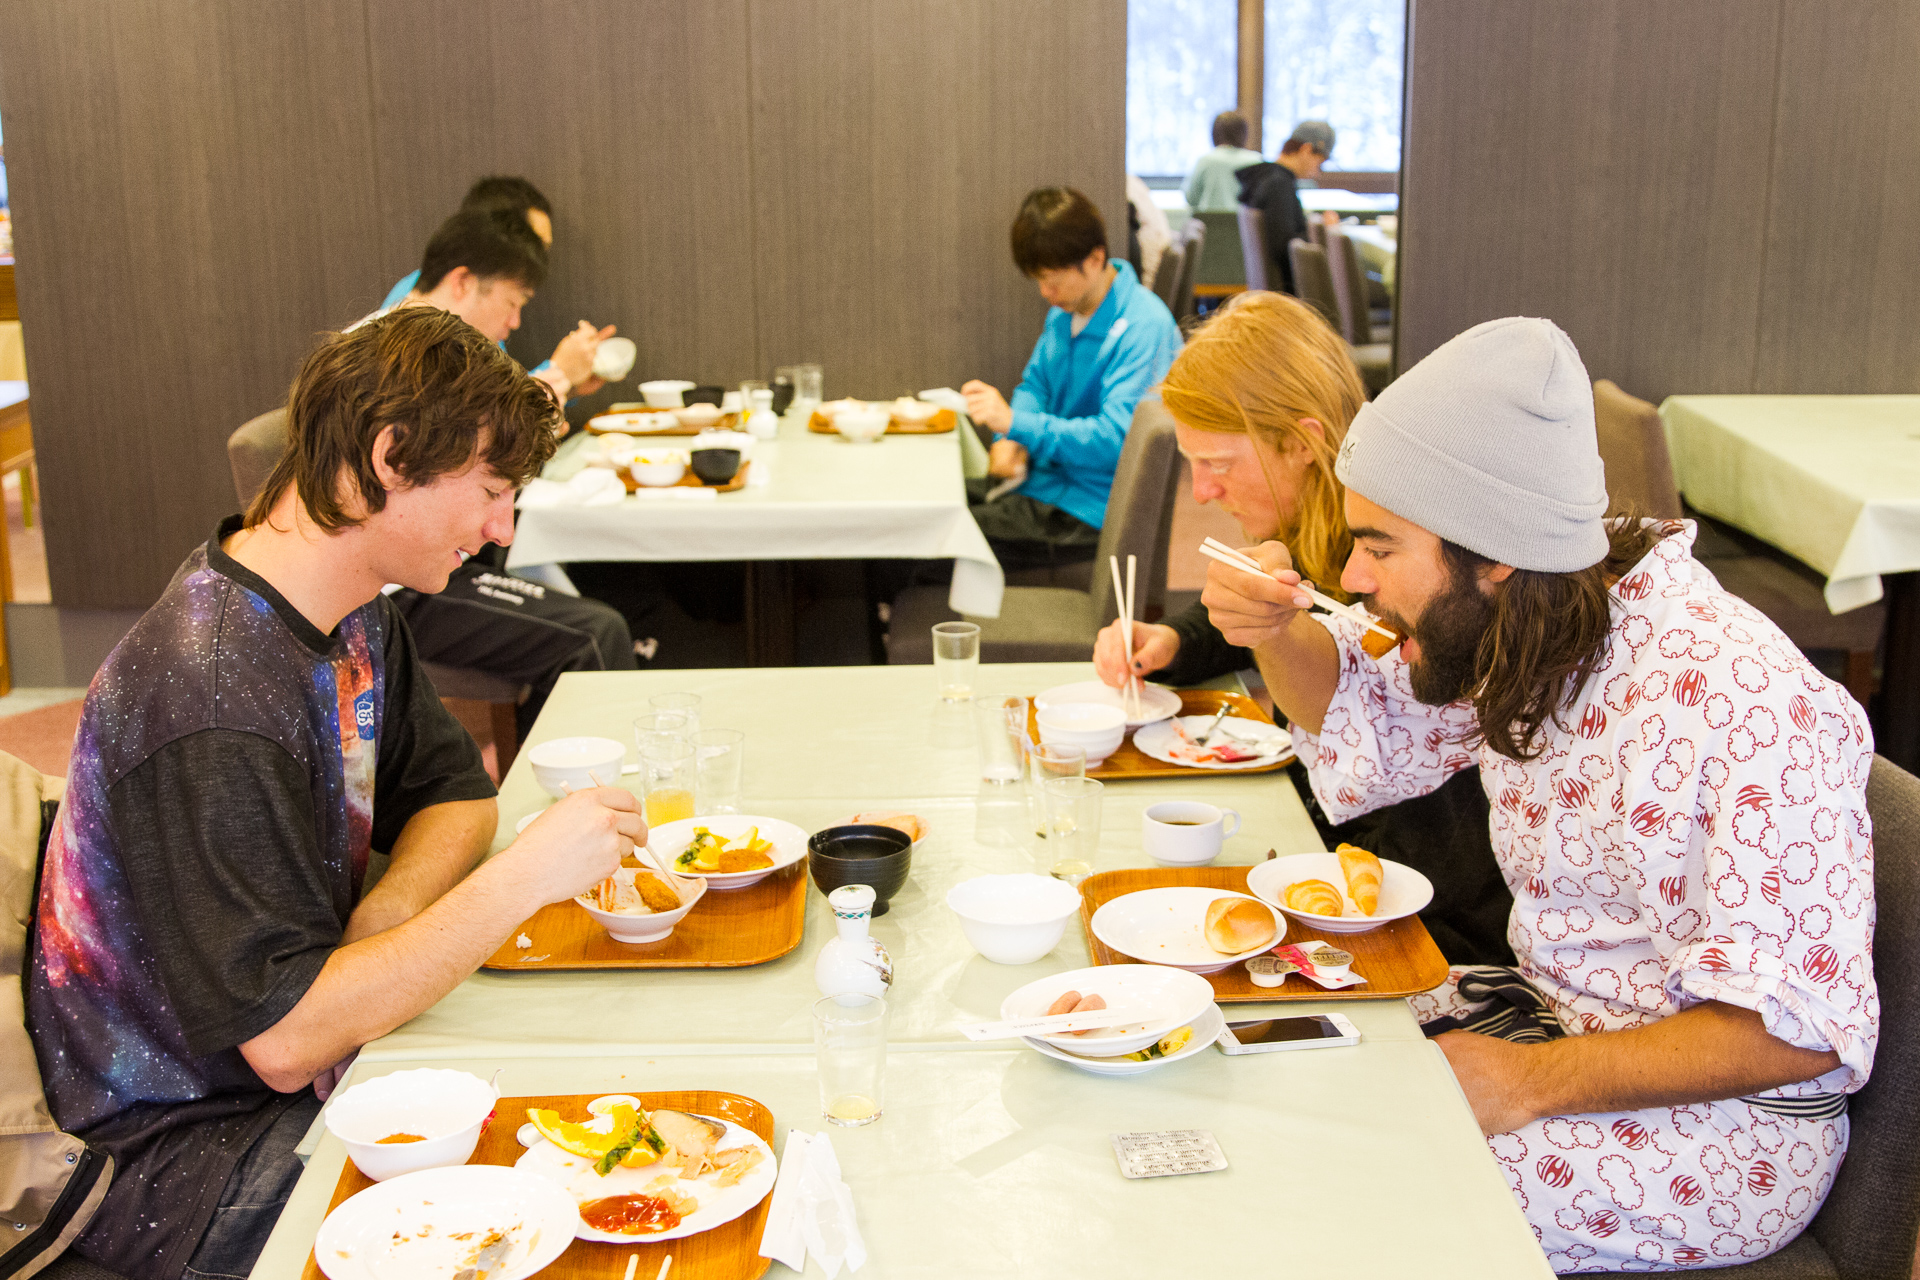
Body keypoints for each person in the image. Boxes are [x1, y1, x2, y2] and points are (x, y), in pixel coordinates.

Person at [1203, 316, 1876, 1270]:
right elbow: (1364, 708)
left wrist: (1528, 1080)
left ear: (1494, 550)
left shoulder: (1742, 703)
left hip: (1725, 1138)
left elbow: (1798, 1029)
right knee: (1251, 1064)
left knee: (1323, 1192)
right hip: (1554, 1024)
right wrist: (1270, 628)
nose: (1350, 577)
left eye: (1379, 548)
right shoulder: (1539, 623)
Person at [27, 307, 646, 1280]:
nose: (503, 528)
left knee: (606, 1101)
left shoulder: (354, 613)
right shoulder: (211, 693)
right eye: (489, 490)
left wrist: (385, 914)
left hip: (304, 1060)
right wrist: (522, 878)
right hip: (182, 1153)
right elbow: (283, 1040)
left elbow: (454, 795)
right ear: (389, 458)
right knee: (561, 1196)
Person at [1090, 291, 1515, 965]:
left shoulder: (1419, 560)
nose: (1201, 492)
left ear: (1303, 443)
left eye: (1218, 465)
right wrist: (1175, 637)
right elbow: (1261, 602)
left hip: (1435, 905)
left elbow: (1335, 675)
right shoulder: (1309, 530)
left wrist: (1270, 631)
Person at [368, 209, 643, 732]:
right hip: (403, 581)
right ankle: (579, 796)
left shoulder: (432, 346)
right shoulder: (395, 355)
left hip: (439, 557)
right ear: (463, 281)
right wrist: (559, 373)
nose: (515, 322)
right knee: (594, 634)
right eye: (512, 303)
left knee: (612, 599)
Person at [960, 187, 1180, 574]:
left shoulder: (1143, 327)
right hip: (1043, 485)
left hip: (1085, 511)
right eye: (1039, 281)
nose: (1046, 294)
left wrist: (1015, 424)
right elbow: (1035, 386)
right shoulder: (1066, 312)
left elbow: (1117, 442)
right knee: (930, 506)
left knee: (927, 543)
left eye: (1053, 281)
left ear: (1095, 259)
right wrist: (1010, 438)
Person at [383, 175, 615, 404]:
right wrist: (560, 371)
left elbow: (492, 398)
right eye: (531, 244)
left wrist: (569, 385)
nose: (537, 259)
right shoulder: (404, 332)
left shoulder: (469, 312)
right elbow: (482, 421)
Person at [1236, 119, 1337, 294]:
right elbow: (1286, 247)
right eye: (1320, 161)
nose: (1319, 170)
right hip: (1291, 292)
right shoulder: (1279, 184)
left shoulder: (1266, 178)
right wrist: (1323, 231)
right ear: (1306, 150)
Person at [1182, 110, 1265, 213]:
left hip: (1211, 225)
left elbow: (1190, 197)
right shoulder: (1257, 161)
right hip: (1245, 226)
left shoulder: (1205, 161)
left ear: (1214, 134)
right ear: (1244, 134)